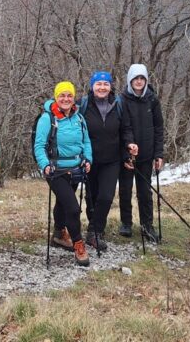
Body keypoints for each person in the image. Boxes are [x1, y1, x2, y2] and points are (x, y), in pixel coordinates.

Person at [34, 81, 93, 266]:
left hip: (75, 168)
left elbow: (86, 142)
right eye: (62, 95)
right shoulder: (47, 119)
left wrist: (88, 159)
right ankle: (78, 244)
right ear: (56, 97)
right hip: (55, 170)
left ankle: (59, 234)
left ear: (74, 98)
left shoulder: (79, 118)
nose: (66, 99)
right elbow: (39, 145)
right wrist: (44, 164)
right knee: (73, 208)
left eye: (69, 95)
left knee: (63, 202)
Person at [79, 71, 136, 252]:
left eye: (106, 84)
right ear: (92, 86)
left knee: (105, 196)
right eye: (99, 84)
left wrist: (129, 144)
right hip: (89, 159)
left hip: (112, 160)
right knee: (91, 197)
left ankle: (95, 232)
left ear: (110, 87)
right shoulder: (83, 105)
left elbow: (126, 129)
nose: (102, 87)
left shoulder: (119, 104)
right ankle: (94, 230)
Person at [118, 64, 164, 242]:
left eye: (142, 78)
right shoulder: (122, 100)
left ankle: (147, 225)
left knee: (145, 191)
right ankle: (126, 223)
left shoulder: (152, 100)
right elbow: (123, 127)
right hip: (127, 155)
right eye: (135, 78)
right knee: (125, 190)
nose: (138, 81)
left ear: (146, 80)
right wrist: (128, 149)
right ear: (130, 80)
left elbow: (159, 128)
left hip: (147, 154)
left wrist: (158, 154)